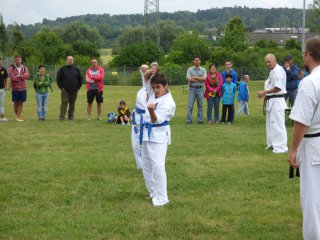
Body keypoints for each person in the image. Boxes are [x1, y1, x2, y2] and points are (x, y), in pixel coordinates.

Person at [288, 37, 320, 240]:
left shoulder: (309, 82)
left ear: (308, 55)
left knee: (312, 197)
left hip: (312, 143)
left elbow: (301, 121)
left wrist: (293, 150)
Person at [141, 66, 176, 206]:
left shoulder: (168, 102)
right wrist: (152, 71)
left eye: (158, 87)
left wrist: (151, 111)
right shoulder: (153, 93)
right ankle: (153, 192)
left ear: (165, 86)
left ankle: (162, 197)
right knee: (146, 164)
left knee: (157, 165)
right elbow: (145, 77)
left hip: (159, 134)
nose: (155, 90)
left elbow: (156, 120)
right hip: (146, 133)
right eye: (154, 87)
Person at [257, 53, 288, 154]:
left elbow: (278, 87)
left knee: (277, 124)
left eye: (269, 61)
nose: (267, 63)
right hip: (271, 100)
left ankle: (281, 147)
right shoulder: (272, 71)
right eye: (266, 62)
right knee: (271, 124)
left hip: (277, 101)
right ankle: (273, 144)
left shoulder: (278, 71)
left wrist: (264, 92)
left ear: (274, 60)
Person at [131, 64, 148, 170]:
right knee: (136, 143)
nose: (144, 71)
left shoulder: (155, 89)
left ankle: (147, 164)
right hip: (137, 117)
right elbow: (144, 74)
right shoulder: (142, 89)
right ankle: (140, 165)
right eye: (143, 70)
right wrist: (144, 69)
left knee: (147, 143)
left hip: (148, 118)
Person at [56, 55, 83, 120]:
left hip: (74, 90)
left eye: (71, 59)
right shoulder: (62, 69)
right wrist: (61, 87)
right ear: (66, 60)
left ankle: (71, 115)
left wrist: (78, 87)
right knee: (64, 102)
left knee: (72, 103)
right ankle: (62, 116)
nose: (70, 61)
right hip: (65, 89)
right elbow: (58, 78)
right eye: (69, 59)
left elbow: (80, 79)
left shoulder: (76, 69)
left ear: (73, 61)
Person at [186, 56, 207, 124]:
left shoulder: (203, 69)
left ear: (200, 61)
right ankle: (189, 120)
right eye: (195, 60)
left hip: (200, 89)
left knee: (200, 106)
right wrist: (200, 78)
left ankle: (200, 120)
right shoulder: (189, 69)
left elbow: (205, 79)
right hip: (192, 89)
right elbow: (189, 79)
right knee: (190, 106)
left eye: (198, 60)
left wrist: (194, 77)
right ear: (193, 61)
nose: (196, 61)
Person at [8, 55, 29, 122]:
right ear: (14, 60)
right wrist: (21, 78)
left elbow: (27, 75)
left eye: (19, 59)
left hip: (23, 88)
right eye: (16, 59)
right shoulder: (11, 68)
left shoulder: (24, 68)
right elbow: (12, 78)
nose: (18, 61)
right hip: (15, 89)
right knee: (16, 103)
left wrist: (19, 76)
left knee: (21, 102)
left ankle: (17, 117)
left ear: (21, 60)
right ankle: (18, 116)